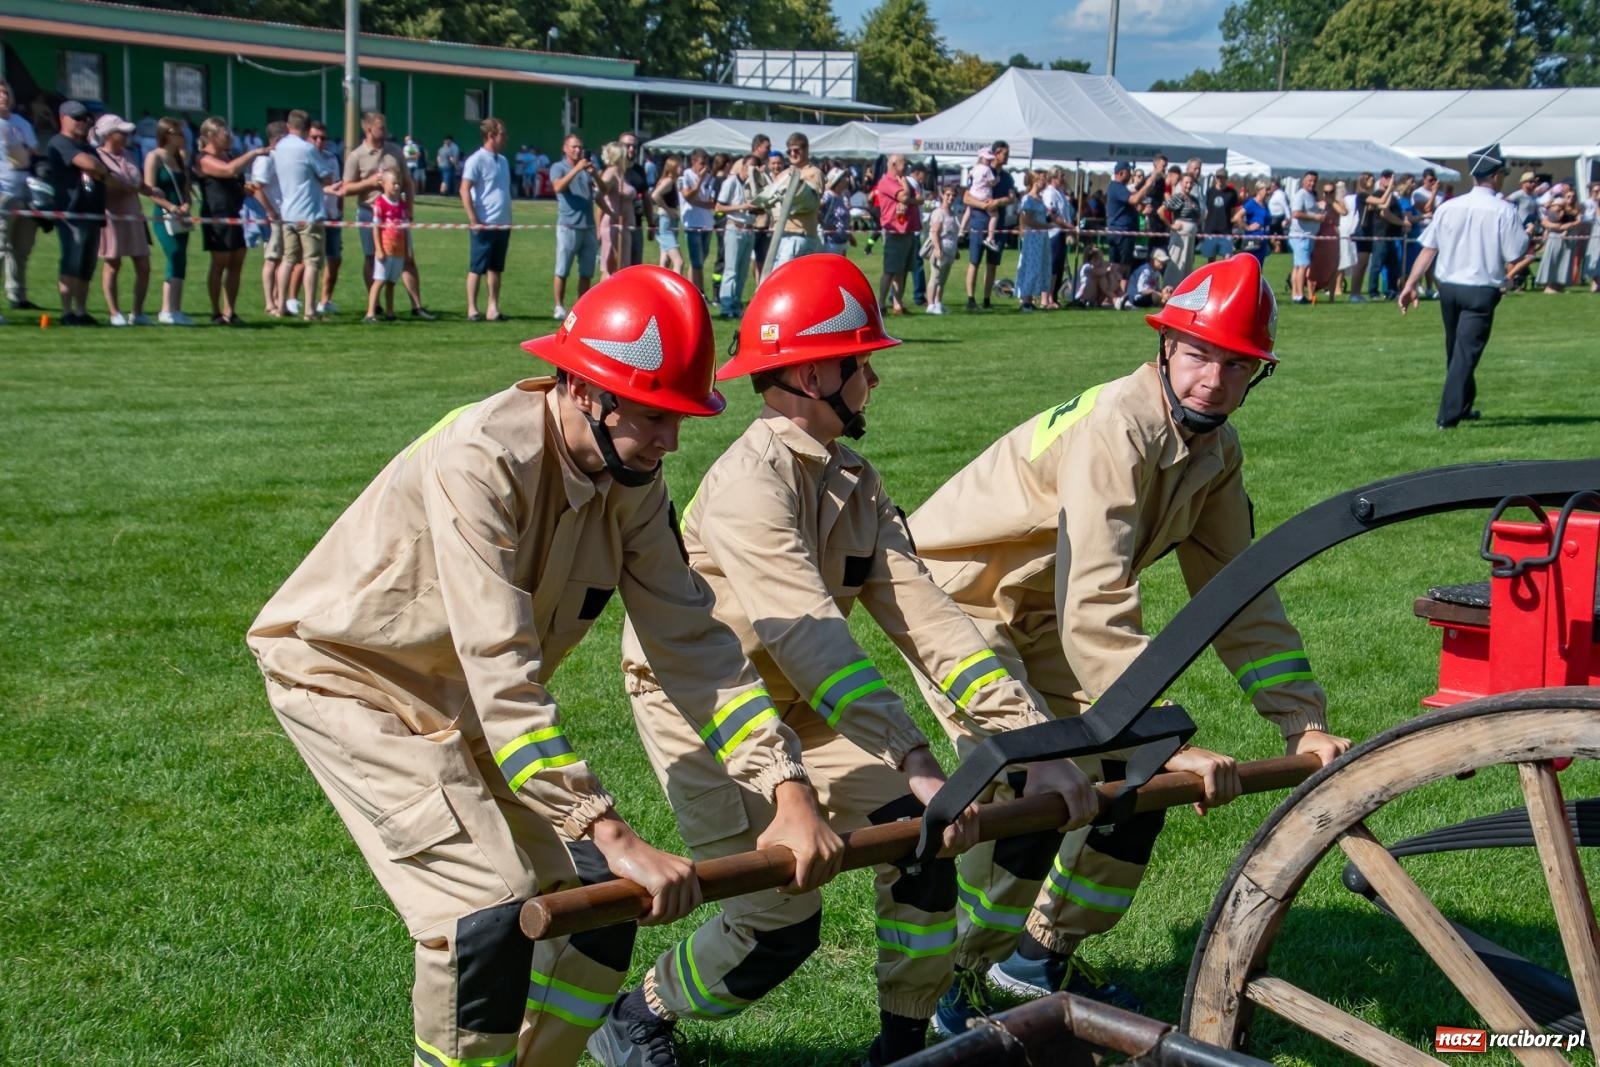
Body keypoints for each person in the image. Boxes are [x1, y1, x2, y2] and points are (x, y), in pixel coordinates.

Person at [247, 264, 781, 1067]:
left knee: (601, 904)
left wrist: (786, 786)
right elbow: (503, 674)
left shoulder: (628, 472)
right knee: (484, 912)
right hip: (350, 683)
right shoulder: (481, 459)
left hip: (465, 704)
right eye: (654, 414)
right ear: (584, 390)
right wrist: (605, 824)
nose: (672, 439)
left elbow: (693, 639)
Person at [595, 254, 1096, 1067]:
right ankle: (640, 1012)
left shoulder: (854, 481)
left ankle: (903, 1045)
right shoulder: (747, 485)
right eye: (862, 362)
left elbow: (931, 620)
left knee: (918, 833)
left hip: (802, 700)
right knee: (779, 921)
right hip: (710, 709)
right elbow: (810, 634)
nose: (872, 379)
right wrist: (913, 751)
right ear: (816, 370)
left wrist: (1034, 742)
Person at [915, 253, 1350, 1034]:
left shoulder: (1216, 450)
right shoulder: (1118, 425)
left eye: (1236, 364)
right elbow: (1097, 594)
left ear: (1260, 372)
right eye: (1197, 354)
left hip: (1043, 613)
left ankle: (1036, 959)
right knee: (1032, 788)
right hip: (962, 607)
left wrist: (1302, 720)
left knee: (1136, 774)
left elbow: (1239, 593)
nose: (1213, 380)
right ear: (1164, 348)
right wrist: (1138, 722)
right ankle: (959, 984)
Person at [1399, 143, 1527, 430]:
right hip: (1481, 289)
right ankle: (1448, 415)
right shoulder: (1503, 210)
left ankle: (1464, 404)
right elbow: (1515, 252)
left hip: (1449, 288)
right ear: (1495, 176)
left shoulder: (1449, 207)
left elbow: (1428, 250)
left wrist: (1410, 283)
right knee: (1465, 352)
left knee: (1455, 350)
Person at [343, 112, 435, 320]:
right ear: (368, 129)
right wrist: (369, 183)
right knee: (372, 257)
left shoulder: (394, 151)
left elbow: (408, 182)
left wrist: (409, 209)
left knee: (407, 259)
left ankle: (417, 306)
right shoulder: (357, 155)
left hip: (397, 215)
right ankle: (374, 306)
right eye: (381, 129)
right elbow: (346, 187)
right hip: (370, 213)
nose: (385, 133)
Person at [95, 113, 171, 326]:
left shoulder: (128, 154)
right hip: (112, 216)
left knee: (143, 265)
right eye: (122, 132)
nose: (128, 135)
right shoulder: (98, 157)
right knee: (113, 264)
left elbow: (137, 184)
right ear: (109, 135)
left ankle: (137, 312)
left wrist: (153, 191)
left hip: (133, 214)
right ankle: (114, 312)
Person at [192, 116, 266, 325]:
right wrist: (254, 153)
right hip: (218, 216)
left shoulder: (229, 156)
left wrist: (246, 189)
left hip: (236, 215)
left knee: (236, 263)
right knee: (219, 263)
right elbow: (228, 171)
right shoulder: (203, 159)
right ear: (211, 136)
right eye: (226, 133)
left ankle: (230, 311)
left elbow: (234, 176)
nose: (229, 137)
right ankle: (216, 312)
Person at [44, 100, 107, 326]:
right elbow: (91, 165)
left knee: (86, 265)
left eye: (85, 118)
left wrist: (96, 167)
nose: (83, 122)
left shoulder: (88, 146)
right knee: (71, 261)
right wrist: (95, 167)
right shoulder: (59, 142)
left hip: (93, 212)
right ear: (63, 118)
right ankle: (66, 311)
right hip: (71, 212)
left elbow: (100, 168)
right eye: (77, 118)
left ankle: (81, 311)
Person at [273, 110, 337, 322]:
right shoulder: (308, 149)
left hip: (287, 212)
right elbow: (327, 177)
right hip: (309, 213)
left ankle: (280, 304)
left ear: (289, 125)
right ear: (307, 128)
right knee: (312, 262)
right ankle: (310, 309)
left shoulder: (279, 147)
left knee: (287, 260)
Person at [460, 116, 512, 322]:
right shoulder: (476, 160)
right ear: (491, 135)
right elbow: (464, 189)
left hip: (503, 222)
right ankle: (472, 308)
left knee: (496, 268)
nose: (505, 138)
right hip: (484, 222)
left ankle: (493, 307)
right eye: (502, 134)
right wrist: (474, 219)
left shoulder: (504, 161)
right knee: (477, 267)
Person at [144, 116, 195, 325]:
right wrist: (171, 207)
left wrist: (185, 206)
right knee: (174, 254)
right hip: (163, 215)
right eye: (178, 133)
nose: (182, 137)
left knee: (180, 259)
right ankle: (169, 310)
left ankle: (173, 308)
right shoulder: (154, 157)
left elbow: (187, 191)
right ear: (167, 135)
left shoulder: (181, 158)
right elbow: (150, 190)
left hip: (180, 217)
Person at [963, 141, 1020, 311]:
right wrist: (983, 206)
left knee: (992, 264)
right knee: (974, 261)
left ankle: (987, 300)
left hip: (998, 224)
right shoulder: (980, 170)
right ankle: (970, 299)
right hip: (979, 220)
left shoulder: (1007, 177)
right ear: (996, 154)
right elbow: (966, 197)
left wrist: (998, 201)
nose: (1007, 157)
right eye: (1005, 153)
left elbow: (1011, 197)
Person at [0, 79, 40, 315]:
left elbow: (31, 153)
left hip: (24, 190)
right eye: (0, 93)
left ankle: (18, 294)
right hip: (2, 192)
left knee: (21, 248)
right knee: (0, 249)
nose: (3, 97)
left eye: (6, 93)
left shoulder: (21, 123)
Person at [550, 133, 598, 320]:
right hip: (568, 226)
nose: (578, 150)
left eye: (580, 147)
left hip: (588, 226)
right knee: (562, 270)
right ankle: (559, 306)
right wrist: (577, 169)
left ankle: (581, 309)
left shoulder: (586, 169)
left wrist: (595, 175)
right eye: (574, 147)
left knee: (586, 272)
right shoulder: (558, 167)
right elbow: (557, 187)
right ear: (565, 148)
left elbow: (601, 190)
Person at [760, 132, 824, 268]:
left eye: (796, 150)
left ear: (806, 150)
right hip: (779, 234)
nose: (793, 154)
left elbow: (809, 201)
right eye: (789, 151)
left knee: (784, 280)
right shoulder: (784, 173)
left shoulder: (813, 172)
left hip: (800, 234)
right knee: (774, 280)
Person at [1103, 159, 1164, 293]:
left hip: (1125, 232)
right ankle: (1116, 294)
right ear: (1121, 173)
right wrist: (1148, 184)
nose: (1130, 175)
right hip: (1121, 232)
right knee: (1121, 267)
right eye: (1128, 172)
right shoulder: (1116, 187)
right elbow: (1134, 199)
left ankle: (1118, 295)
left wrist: (1153, 175)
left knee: (1123, 266)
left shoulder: (1120, 188)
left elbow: (1134, 195)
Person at [250, 121, 288, 317]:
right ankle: (269, 302)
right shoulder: (267, 159)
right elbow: (257, 187)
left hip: (284, 214)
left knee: (282, 259)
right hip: (274, 215)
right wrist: (270, 211)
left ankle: (279, 300)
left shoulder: (280, 158)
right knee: (272, 259)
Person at [873, 154, 920, 315]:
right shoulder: (886, 182)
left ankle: (898, 304)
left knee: (903, 270)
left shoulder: (901, 180)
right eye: (904, 164)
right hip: (894, 231)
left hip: (907, 230)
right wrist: (905, 186)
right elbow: (905, 196)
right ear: (894, 164)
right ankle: (881, 304)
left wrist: (908, 198)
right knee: (890, 270)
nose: (907, 167)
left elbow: (919, 199)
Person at [307, 119, 344, 315]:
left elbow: (338, 186)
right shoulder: (304, 156)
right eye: (315, 137)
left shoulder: (332, 158)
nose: (319, 141)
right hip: (311, 214)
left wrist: (339, 209)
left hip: (332, 215)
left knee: (335, 258)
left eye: (323, 138)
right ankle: (295, 300)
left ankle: (325, 300)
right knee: (308, 261)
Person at [364, 165, 409, 322]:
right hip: (385, 248)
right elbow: (376, 228)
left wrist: (407, 249)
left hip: (399, 250)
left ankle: (390, 313)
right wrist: (378, 249)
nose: (396, 186)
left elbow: (405, 228)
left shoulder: (402, 204)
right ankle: (370, 313)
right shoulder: (380, 203)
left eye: (398, 183)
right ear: (384, 184)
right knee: (379, 280)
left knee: (391, 282)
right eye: (393, 183)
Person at [715, 154, 758, 318]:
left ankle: (735, 304)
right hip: (734, 227)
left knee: (742, 271)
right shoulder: (731, 182)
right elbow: (719, 206)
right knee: (731, 269)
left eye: (754, 168)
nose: (750, 171)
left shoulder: (754, 185)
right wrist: (744, 206)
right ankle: (726, 307)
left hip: (749, 229)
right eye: (749, 167)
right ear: (742, 166)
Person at [1014, 170, 1050, 312]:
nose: (1045, 182)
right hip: (1033, 236)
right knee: (1031, 267)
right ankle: (1025, 299)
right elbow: (1027, 219)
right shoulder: (1028, 199)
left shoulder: (1040, 198)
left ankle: (1030, 299)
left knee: (1040, 266)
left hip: (1042, 236)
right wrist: (1045, 225)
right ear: (1035, 181)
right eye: (1043, 179)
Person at [1306, 178, 1345, 303]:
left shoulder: (1338, 204)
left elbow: (1344, 212)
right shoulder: (1318, 205)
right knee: (1313, 267)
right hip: (1319, 238)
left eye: (1331, 192)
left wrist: (1332, 202)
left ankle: (1331, 297)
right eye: (1325, 192)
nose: (1328, 194)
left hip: (1333, 239)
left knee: (1333, 268)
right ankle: (1311, 295)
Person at [1287, 170, 1322, 304]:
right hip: (1301, 236)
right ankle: (1300, 295)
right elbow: (1296, 213)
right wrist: (1315, 217)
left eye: (1314, 181)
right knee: (1303, 266)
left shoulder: (1311, 195)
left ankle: (1296, 295)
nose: (1312, 183)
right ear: (1303, 181)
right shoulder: (1300, 195)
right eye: (1309, 181)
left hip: (1307, 236)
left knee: (1297, 266)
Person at [1535, 184, 1578, 293]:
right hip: (1555, 236)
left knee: (1564, 261)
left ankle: (1559, 285)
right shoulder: (1557, 204)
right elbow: (1549, 219)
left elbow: (1577, 221)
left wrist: (1569, 226)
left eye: (1573, 197)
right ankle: (1548, 286)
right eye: (1568, 196)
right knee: (1552, 259)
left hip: (1567, 238)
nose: (1571, 199)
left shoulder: (1575, 210)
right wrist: (1557, 225)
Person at [924, 183, 961, 315]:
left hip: (950, 250)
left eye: (953, 195)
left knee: (943, 279)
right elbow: (935, 232)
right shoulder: (938, 213)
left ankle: (938, 302)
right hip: (940, 249)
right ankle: (930, 304)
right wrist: (938, 249)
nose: (950, 198)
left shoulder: (953, 214)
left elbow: (954, 234)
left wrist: (956, 250)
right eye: (948, 195)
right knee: (935, 277)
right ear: (942, 195)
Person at [596, 142, 630, 280]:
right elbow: (598, 196)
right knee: (610, 270)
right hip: (613, 226)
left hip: (624, 227)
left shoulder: (621, 173)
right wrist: (611, 213)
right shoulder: (610, 173)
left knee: (622, 269)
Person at [1161, 172, 1202, 283]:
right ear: (1181, 183)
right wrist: (1171, 225)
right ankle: (1170, 288)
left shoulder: (1194, 199)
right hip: (1180, 236)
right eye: (1186, 182)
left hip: (1191, 237)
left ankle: (1184, 289)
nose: (1188, 185)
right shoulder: (1178, 197)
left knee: (1188, 263)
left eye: (1191, 183)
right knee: (1177, 261)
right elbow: (1160, 211)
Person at [963, 147, 1004, 253]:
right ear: (981, 158)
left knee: (968, 209)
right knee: (995, 215)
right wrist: (998, 180)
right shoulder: (987, 169)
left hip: (973, 194)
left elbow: (969, 176)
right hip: (984, 196)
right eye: (987, 159)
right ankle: (990, 238)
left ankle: (962, 229)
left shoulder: (975, 167)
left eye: (990, 160)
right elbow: (992, 183)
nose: (989, 161)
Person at [1043, 168, 1074, 306]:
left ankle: (1053, 296)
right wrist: (1069, 226)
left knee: (1059, 267)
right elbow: (1053, 215)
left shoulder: (1060, 192)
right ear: (1054, 177)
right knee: (1053, 267)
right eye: (1061, 175)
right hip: (1053, 233)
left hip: (1061, 232)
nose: (1064, 178)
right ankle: (1048, 297)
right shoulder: (1050, 193)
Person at [1198, 169, 1239, 264]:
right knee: (1211, 259)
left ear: (1226, 178)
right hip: (1211, 229)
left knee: (1228, 258)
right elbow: (1208, 210)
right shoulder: (1210, 191)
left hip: (1226, 230)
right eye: (1218, 177)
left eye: (1222, 177)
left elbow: (1234, 211)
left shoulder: (1232, 193)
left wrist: (1234, 225)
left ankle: (1226, 277)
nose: (1220, 179)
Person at [652, 155, 683, 275]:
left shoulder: (672, 181)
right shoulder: (668, 181)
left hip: (668, 222)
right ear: (673, 167)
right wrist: (669, 210)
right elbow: (655, 195)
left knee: (664, 261)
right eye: (679, 166)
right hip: (665, 222)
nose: (682, 168)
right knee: (678, 262)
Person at [1239, 180, 1272, 267]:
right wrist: (1248, 227)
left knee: (1259, 268)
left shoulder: (1265, 205)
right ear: (1259, 190)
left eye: (1269, 190)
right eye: (1267, 190)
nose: (1269, 192)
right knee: (1251, 267)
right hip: (1253, 242)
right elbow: (1237, 217)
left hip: (1263, 241)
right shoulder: (1251, 204)